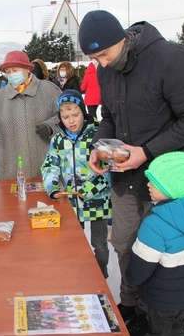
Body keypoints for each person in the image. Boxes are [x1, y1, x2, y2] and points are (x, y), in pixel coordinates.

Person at [78, 9, 184, 334]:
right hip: (125, 179)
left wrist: (146, 153)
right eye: (95, 59)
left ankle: (157, 319)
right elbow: (107, 114)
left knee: (162, 256)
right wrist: (99, 146)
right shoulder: (105, 70)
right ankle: (132, 306)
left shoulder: (169, 58)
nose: (102, 64)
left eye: (105, 55)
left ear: (121, 38)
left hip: (165, 185)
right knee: (125, 245)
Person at [126, 149, 184, 336]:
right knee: (179, 329)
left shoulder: (155, 223)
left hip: (160, 297)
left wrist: (132, 280)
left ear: (171, 188)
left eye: (155, 182)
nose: (148, 185)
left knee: (159, 331)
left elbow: (141, 265)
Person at [41, 89, 111, 278]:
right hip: (71, 200)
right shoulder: (57, 140)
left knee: (99, 242)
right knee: (74, 240)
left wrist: (88, 190)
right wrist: (52, 186)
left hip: (97, 200)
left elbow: (108, 171)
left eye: (75, 115)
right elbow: (50, 166)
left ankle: (101, 275)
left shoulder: (97, 136)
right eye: (65, 117)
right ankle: (78, 275)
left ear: (83, 111)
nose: (71, 121)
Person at [0, 50, 61, 180]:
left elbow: (65, 116)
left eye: (15, 70)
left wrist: (51, 127)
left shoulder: (49, 90)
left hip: (46, 167)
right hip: (10, 169)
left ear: (28, 69)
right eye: (8, 72)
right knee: (11, 199)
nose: (11, 75)